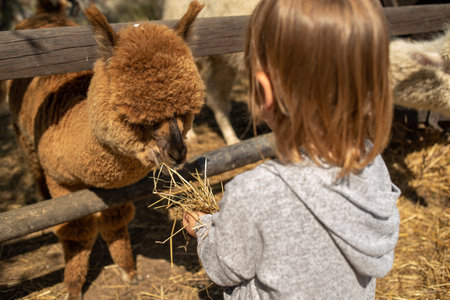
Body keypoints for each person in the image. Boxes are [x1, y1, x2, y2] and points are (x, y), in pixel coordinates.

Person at [183, 0, 401, 298]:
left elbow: (225, 268)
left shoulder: (255, 191)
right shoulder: (371, 162)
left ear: (264, 90)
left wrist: (205, 229)